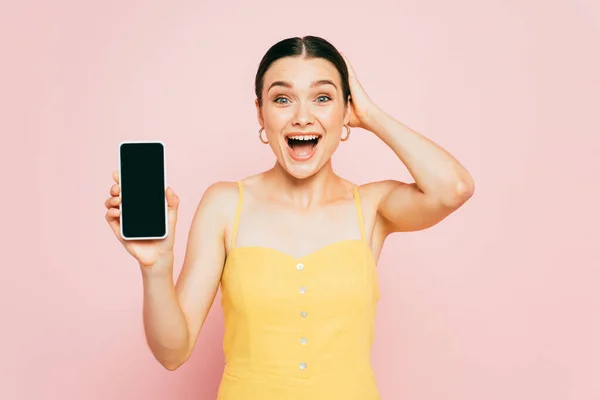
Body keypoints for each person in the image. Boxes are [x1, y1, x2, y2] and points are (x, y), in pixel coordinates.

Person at [104, 35, 474, 399]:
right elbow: (172, 353)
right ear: (260, 114)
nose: (301, 117)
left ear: (346, 111)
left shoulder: (372, 206)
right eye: (282, 99)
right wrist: (156, 268)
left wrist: (370, 115)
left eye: (323, 98)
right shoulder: (225, 204)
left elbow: (453, 188)